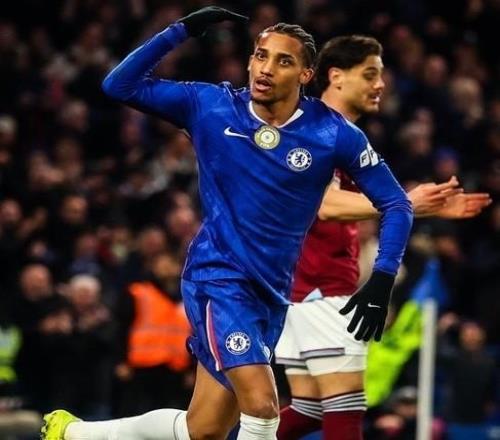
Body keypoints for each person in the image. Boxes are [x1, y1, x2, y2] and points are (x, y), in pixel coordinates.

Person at [41, 7, 414, 440]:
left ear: (306, 75)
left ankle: (74, 434)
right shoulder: (211, 105)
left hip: (271, 293)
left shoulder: (333, 134)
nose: (266, 68)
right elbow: (118, 85)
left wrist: (382, 279)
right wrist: (180, 31)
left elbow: (397, 204)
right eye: (260, 55)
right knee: (263, 406)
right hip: (218, 279)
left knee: (204, 429)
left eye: (283, 61)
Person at [274, 35, 491, 440]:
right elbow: (324, 205)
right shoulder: (320, 132)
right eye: (370, 74)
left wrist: (419, 207)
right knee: (345, 410)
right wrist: (406, 203)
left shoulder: (333, 132)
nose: (380, 85)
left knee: (309, 409)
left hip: (303, 287)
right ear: (336, 76)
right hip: (322, 288)